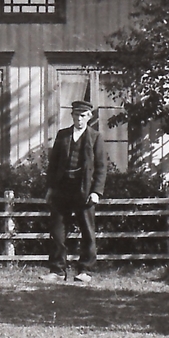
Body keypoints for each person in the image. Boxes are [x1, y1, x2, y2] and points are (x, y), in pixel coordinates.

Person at [44, 99, 107, 283]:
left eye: (83, 115)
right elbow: (53, 165)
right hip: (62, 188)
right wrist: (50, 188)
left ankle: (85, 270)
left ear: (89, 117)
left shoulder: (95, 137)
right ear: (71, 116)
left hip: (84, 190)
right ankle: (57, 271)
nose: (79, 119)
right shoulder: (62, 136)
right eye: (76, 115)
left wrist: (96, 191)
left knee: (87, 231)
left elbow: (101, 168)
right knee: (57, 231)